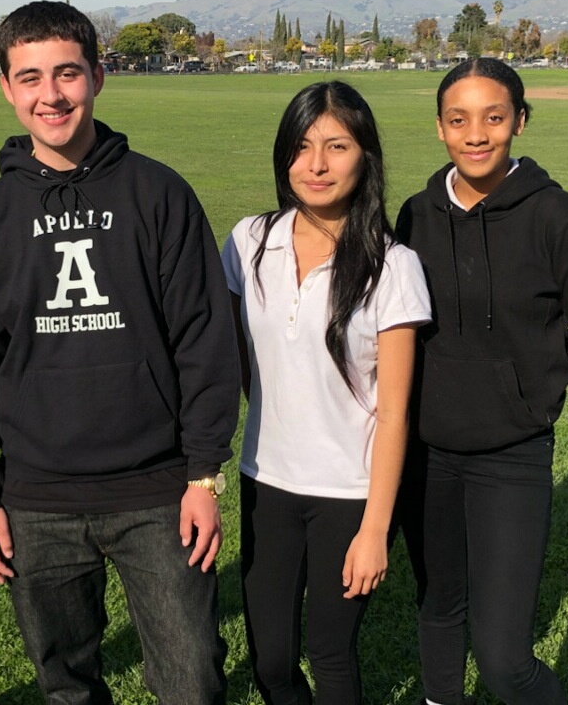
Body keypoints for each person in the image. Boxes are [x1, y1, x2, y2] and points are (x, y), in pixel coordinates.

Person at [0, 0, 240, 705]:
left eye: (68, 73)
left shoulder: (159, 194)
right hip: (36, 500)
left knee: (192, 677)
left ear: (98, 77)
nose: (52, 95)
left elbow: (204, 337)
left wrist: (203, 476)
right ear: (7, 88)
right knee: (67, 685)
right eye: (32, 77)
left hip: (157, 492)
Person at [395, 57, 568, 705]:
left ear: (519, 122)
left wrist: (523, 384)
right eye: (458, 119)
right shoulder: (415, 216)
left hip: (512, 458)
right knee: (439, 605)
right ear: (439, 128)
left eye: (493, 118)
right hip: (428, 454)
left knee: (503, 660)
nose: (476, 134)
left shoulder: (559, 216)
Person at [221, 81, 432, 704]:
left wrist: (375, 528)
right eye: (302, 147)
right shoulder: (249, 241)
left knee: (330, 655)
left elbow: (395, 412)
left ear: (365, 154)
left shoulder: (393, 267)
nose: (316, 165)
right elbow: (230, 362)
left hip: (349, 494)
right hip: (266, 484)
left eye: (336, 146)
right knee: (273, 661)